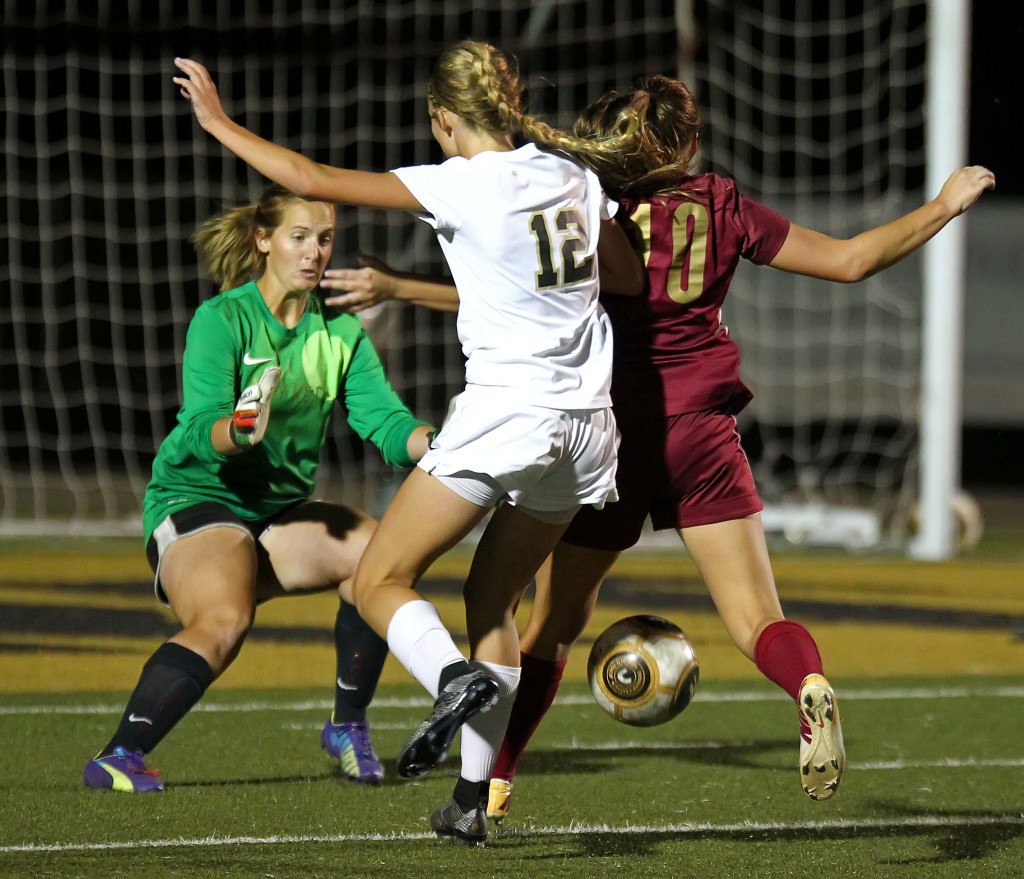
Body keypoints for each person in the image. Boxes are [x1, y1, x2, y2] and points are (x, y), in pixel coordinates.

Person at [320, 76, 996, 820]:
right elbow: (851, 262)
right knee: (753, 618)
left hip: (614, 433)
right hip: (704, 430)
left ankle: (493, 784)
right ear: (689, 144)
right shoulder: (723, 205)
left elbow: (509, 289)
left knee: (551, 623)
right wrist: (942, 204)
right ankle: (807, 682)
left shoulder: (583, 201)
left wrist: (399, 286)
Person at [172, 41, 644, 844]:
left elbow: (312, 179)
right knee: (493, 600)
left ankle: (449, 676)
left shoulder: (458, 180)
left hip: (508, 415)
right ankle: (470, 800)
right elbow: (626, 279)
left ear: (444, 120)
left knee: (381, 579)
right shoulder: (571, 176)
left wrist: (218, 122)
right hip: (590, 432)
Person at [83, 184, 435, 793]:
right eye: (299, 238)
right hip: (195, 499)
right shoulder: (223, 319)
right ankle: (119, 755)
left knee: (381, 558)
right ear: (264, 240)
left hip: (275, 514)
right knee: (225, 619)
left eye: (324, 239)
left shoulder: (342, 331)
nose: (314, 253)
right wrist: (238, 431)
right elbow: (196, 430)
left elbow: (386, 425)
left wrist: (444, 441)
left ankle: (346, 726)